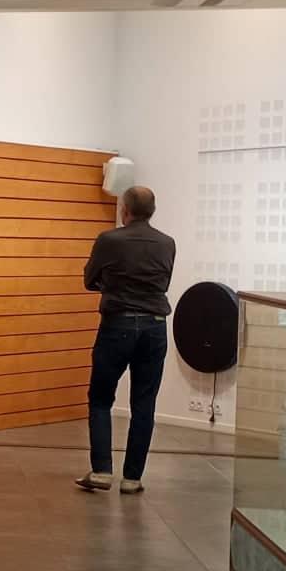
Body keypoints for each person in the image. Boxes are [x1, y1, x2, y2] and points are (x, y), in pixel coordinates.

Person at [76, 185, 175, 495]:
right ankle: (133, 478)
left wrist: (113, 283)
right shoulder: (167, 243)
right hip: (155, 327)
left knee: (102, 397)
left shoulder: (109, 240)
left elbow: (90, 279)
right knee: (144, 403)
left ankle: (102, 470)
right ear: (153, 210)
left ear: (125, 210)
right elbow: (163, 282)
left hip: (117, 324)